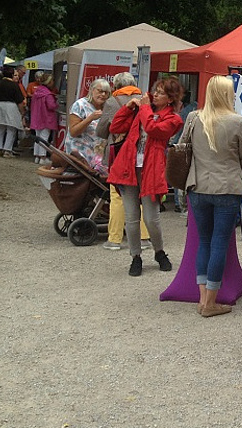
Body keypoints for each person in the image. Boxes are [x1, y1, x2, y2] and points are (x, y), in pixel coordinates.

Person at [180, 75, 242, 317]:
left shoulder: (193, 117)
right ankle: (211, 302)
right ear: (226, 95)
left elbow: (181, 147)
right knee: (219, 243)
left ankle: (202, 299)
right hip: (227, 188)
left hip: (198, 187)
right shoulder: (237, 121)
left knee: (204, 242)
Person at [107, 77, 184, 276]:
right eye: (155, 90)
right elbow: (115, 127)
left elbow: (153, 129)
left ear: (170, 99)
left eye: (160, 92)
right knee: (131, 218)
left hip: (151, 169)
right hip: (129, 166)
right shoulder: (141, 110)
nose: (155, 94)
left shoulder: (173, 118)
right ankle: (136, 256)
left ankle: (159, 251)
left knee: (151, 219)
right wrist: (128, 108)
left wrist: (143, 109)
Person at [95, 72, 151, 251]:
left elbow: (102, 131)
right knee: (141, 195)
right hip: (142, 153)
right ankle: (144, 238)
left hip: (119, 154)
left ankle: (115, 239)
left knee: (117, 196)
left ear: (116, 86)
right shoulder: (145, 99)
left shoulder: (112, 102)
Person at [67, 78, 110, 173]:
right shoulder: (80, 105)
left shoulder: (107, 108)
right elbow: (73, 132)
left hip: (98, 157)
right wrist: (90, 118)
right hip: (80, 155)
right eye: (100, 91)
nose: (103, 94)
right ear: (92, 90)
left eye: (106, 92)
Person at [0, 65, 25, 158]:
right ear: (11, 75)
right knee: (11, 129)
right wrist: (22, 111)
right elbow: (19, 100)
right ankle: (7, 150)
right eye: (15, 74)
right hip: (11, 106)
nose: (17, 76)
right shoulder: (14, 85)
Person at [29, 72, 58, 164]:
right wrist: (56, 103)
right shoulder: (48, 94)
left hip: (37, 117)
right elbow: (51, 106)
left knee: (38, 137)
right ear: (49, 82)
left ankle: (37, 156)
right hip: (46, 118)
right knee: (44, 138)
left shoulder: (37, 92)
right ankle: (43, 157)